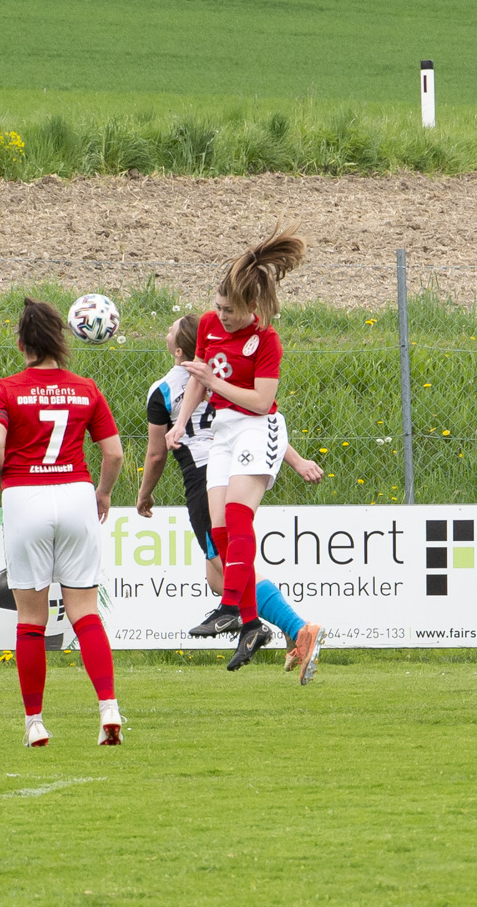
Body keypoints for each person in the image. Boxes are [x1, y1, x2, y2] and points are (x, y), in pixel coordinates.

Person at [137, 315, 327, 684]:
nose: (166, 332)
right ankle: (275, 628)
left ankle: (298, 629)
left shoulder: (163, 390)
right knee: (218, 576)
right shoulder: (222, 377)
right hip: (238, 462)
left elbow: (156, 453)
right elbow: (249, 424)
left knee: (228, 571)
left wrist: (144, 493)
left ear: (179, 350)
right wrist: (297, 460)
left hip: (205, 478)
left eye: (170, 329)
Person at [0, 298, 124, 748]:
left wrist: (4, 476)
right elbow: (114, 453)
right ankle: (109, 708)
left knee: (30, 618)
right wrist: (103, 493)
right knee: (85, 611)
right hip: (76, 495)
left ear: (21, 344)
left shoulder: (5, 390)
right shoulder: (85, 388)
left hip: (25, 497)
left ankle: (35, 723)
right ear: (61, 341)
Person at [167, 222, 305, 672]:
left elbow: (262, 402)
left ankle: (229, 606)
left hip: (257, 427)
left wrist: (213, 380)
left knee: (239, 516)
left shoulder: (266, 340)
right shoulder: (207, 325)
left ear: (251, 306)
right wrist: (180, 423)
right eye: (218, 307)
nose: (221, 316)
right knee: (221, 529)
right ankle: (251, 624)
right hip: (222, 431)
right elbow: (198, 380)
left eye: (230, 310)